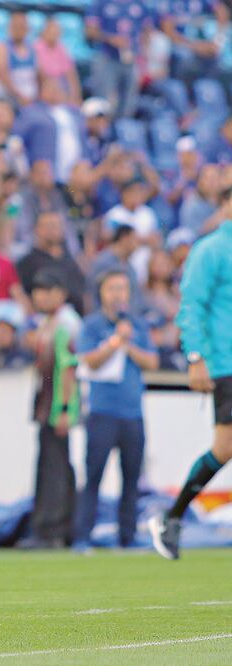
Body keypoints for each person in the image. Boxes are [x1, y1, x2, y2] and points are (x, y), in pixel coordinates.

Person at [150, 190, 232, 560]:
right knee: (224, 448)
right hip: (225, 362)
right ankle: (172, 516)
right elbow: (191, 306)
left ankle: (172, 517)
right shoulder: (211, 250)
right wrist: (196, 357)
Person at [75, 271, 159, 550]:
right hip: (102, 412)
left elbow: (152, 362)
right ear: (102, 293)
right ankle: (83, 535)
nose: (118, 295)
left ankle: (128, 536)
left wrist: (128, 343)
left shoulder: (137, 325)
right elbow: (90, 361)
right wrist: (114, 342)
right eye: (112, 289)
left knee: (132, 478)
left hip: (132, 413)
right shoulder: (91, 326)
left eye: (122, 289)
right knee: (94, 475)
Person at [22, 270, 81, 549]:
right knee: (51, 464)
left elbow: (68, 369)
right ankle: (50, 527)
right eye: (38, 290)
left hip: (56, 406)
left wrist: (66, 409)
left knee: (55, 467)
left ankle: (53, 530)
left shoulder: (65, 323)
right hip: (48, 404)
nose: (42, 296)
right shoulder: (48, 322)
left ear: (61, 293)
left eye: (48, 290)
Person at [0, 10, 38, 107]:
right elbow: (2, 76)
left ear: (28, 28)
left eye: (22, 26)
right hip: (3, 101)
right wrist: (20, 97)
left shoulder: (33, 49)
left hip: (29, 102)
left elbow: (40, 76)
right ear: (9, 27)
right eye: (16, 26)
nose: (19, 29)